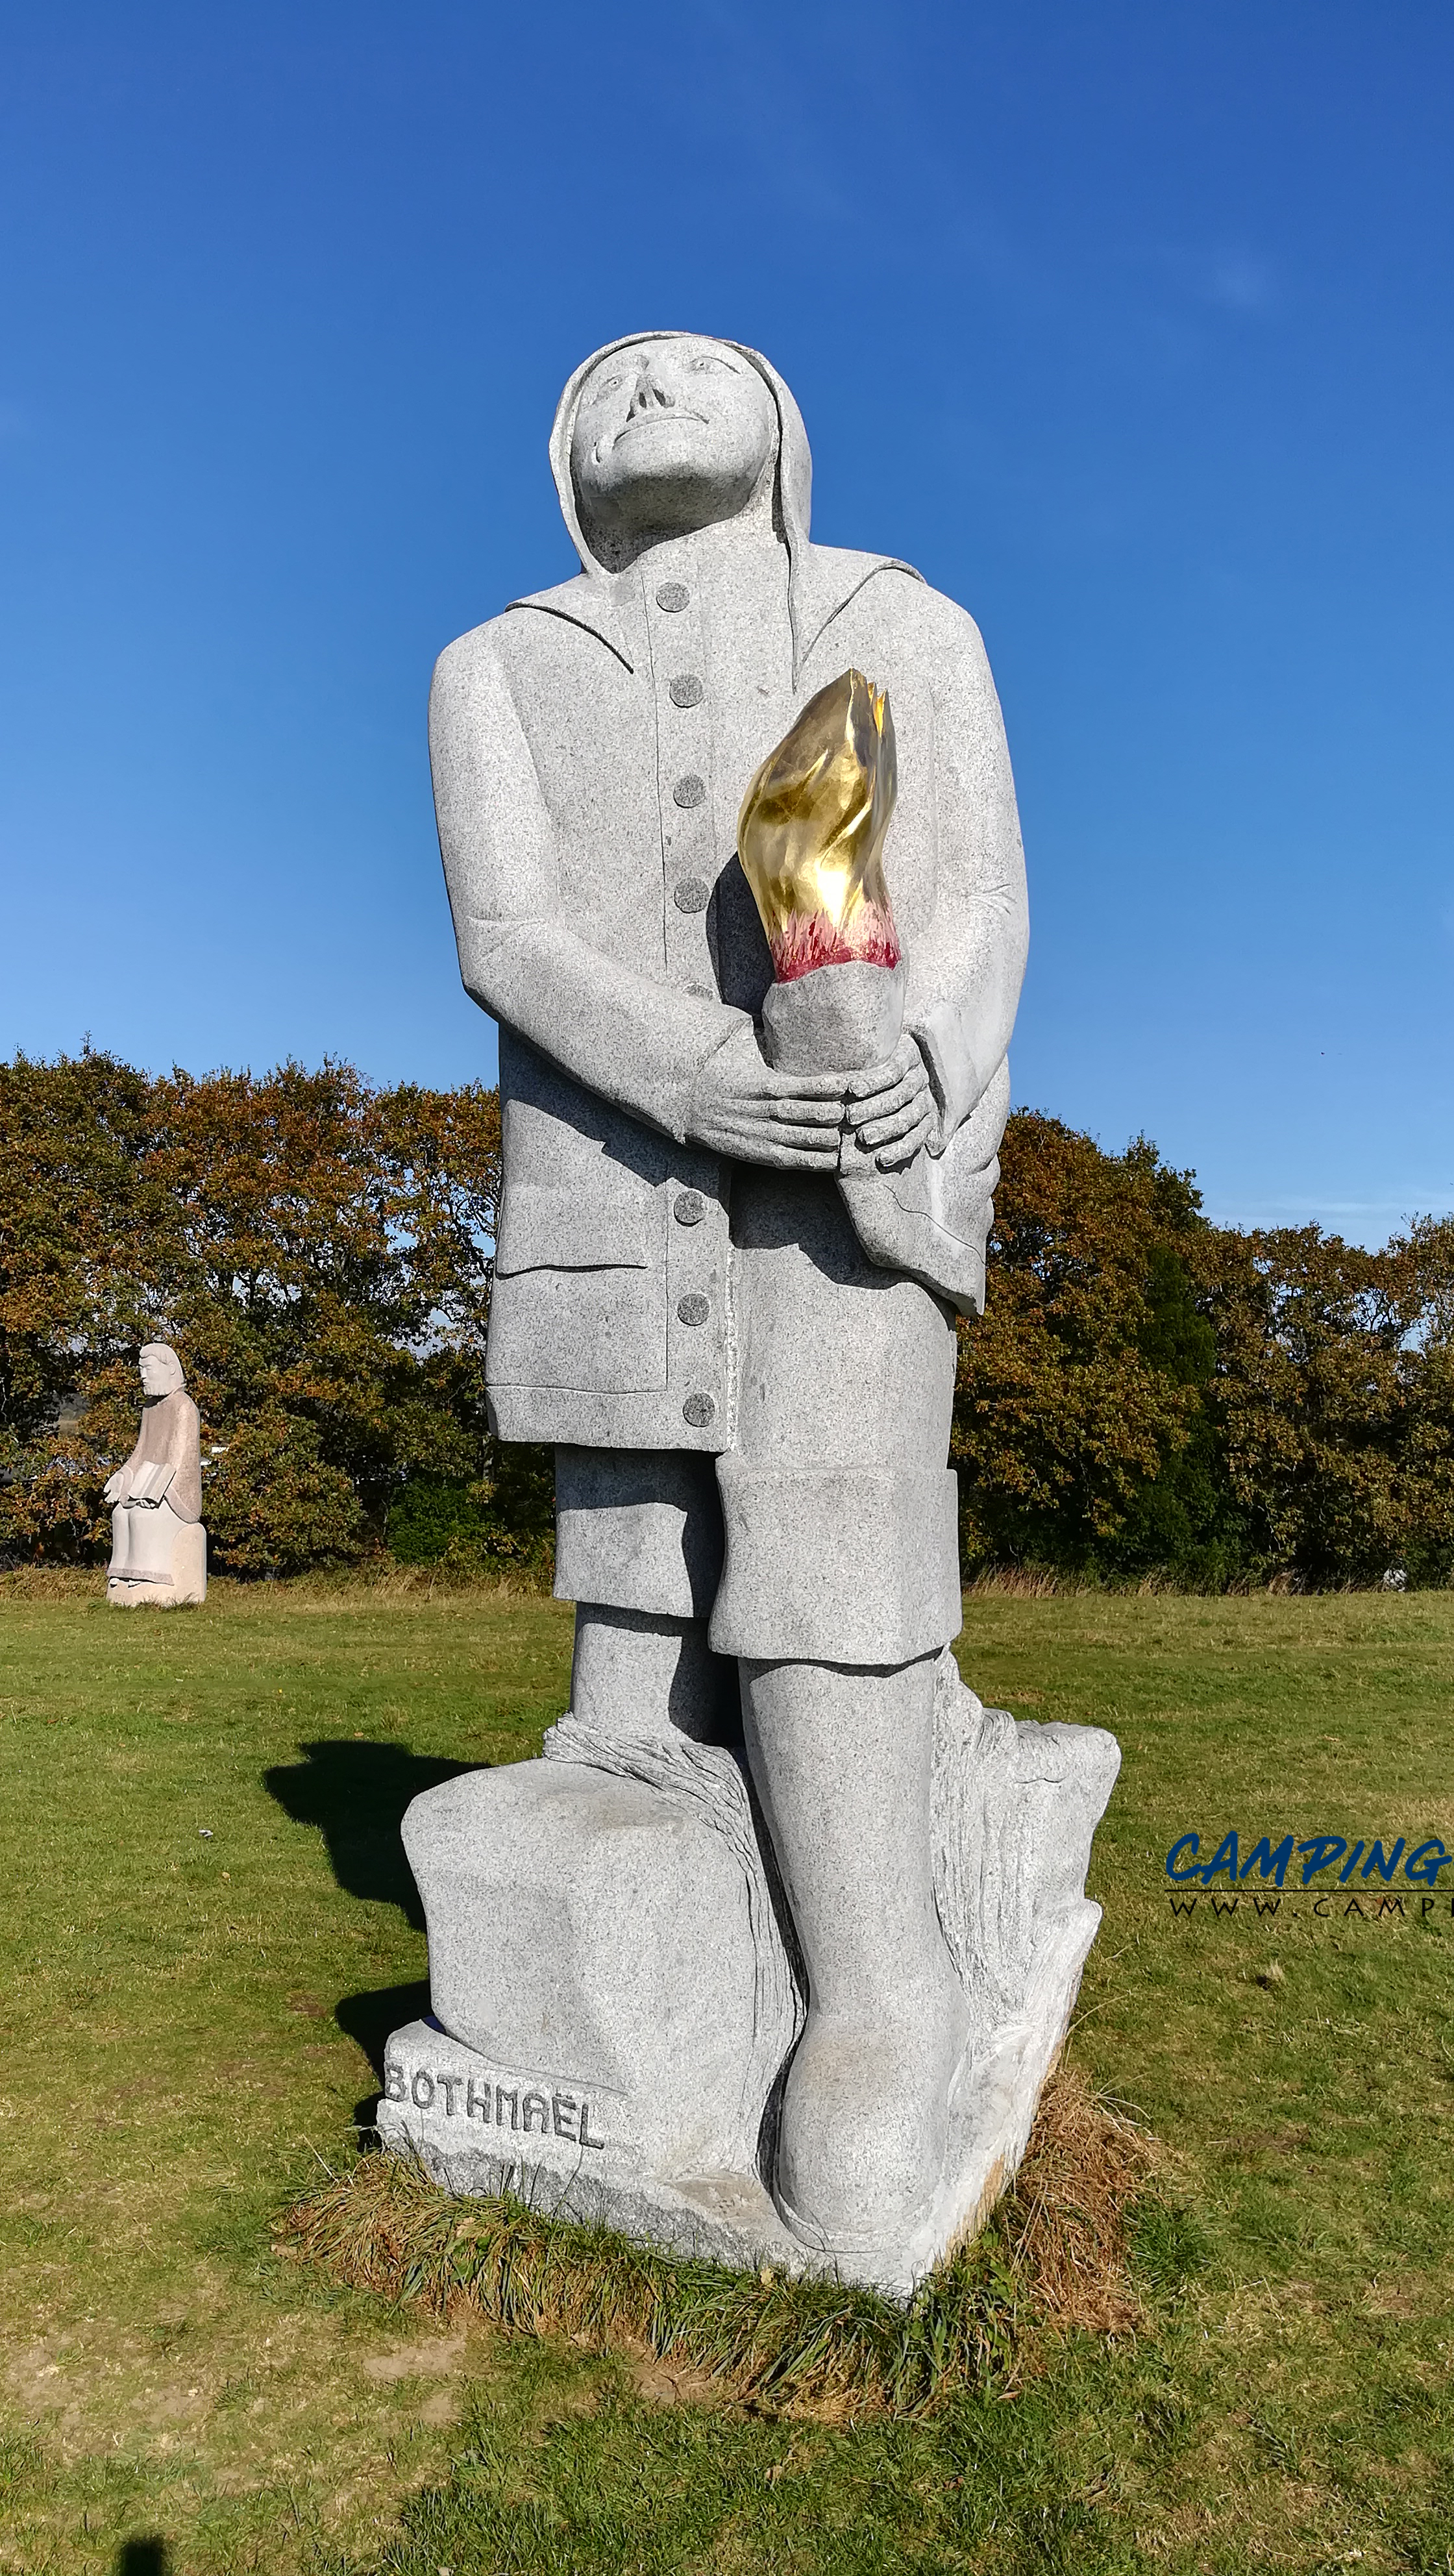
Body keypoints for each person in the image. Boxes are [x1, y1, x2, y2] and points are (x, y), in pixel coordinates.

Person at [428, 334, 1028, 2264]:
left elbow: (976, 892)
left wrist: (917, 1064)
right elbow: (503, 931)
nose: (658, 380)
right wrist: (687, 1071)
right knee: (632, 1561)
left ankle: (879, 1984)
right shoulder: (494, 661)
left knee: (829, 1548)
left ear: (781, 433)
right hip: (614, 1179)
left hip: (839, 1206)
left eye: (704, 368)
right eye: (616, 377)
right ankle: (642, 1942)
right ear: (565, 461)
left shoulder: (894, 618)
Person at [105, 1343, 205, 1602]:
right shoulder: (149, 1409)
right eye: (141, 1369)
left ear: (170, 1369)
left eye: (148, 1369)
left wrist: (156, 1490)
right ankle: (123, 1573)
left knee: (143, 1517)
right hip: (149, 1484)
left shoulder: (184, 1407)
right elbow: (140, 1453)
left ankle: (151, 1574)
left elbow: (180, 1459)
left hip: (175, 1492)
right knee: (120, 1513)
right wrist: (123, 1475)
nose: (143, 1376)